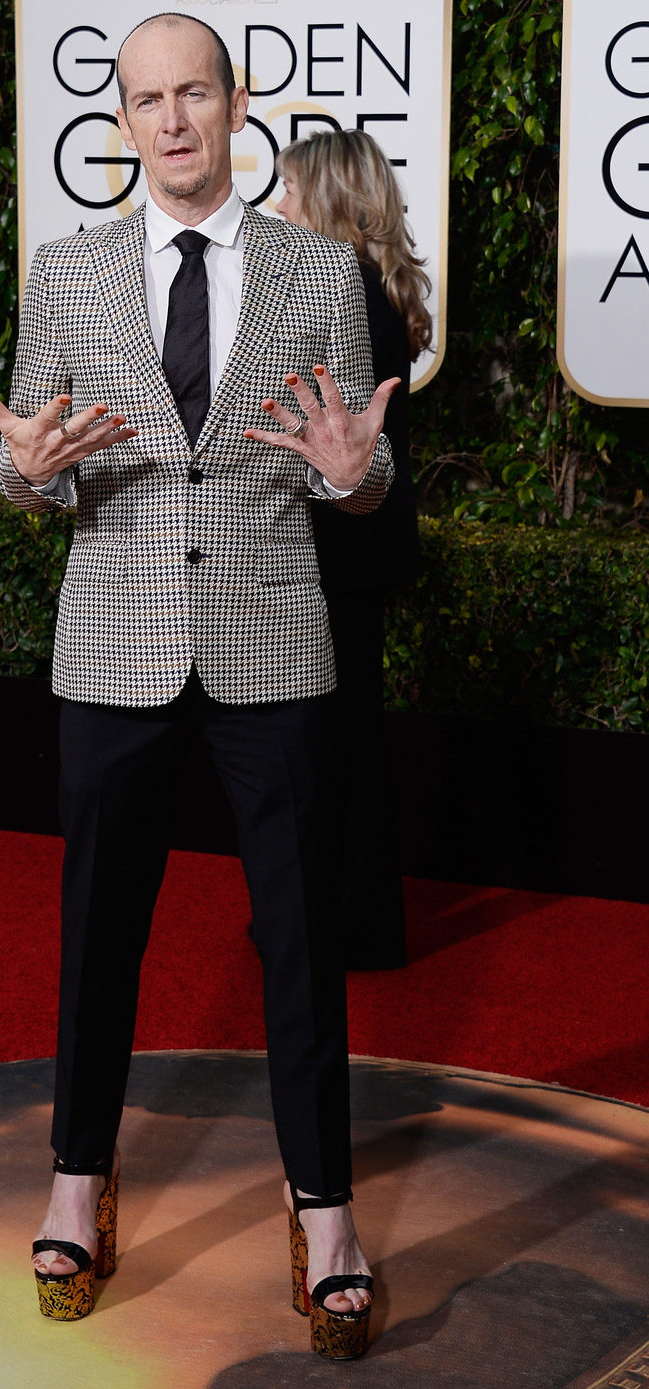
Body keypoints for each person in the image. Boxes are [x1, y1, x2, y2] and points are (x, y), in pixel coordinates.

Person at [0, 13, 397, 1358]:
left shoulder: (319, 272)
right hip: (117, 640)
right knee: (100, 929)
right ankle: (77, 1185)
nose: (171, 121)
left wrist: (354, 474)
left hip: (274, 638)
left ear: (236, 101)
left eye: (193, 94)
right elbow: (26, 458)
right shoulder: (68, 271)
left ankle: (324, 1209)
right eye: (146, 99)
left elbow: (362, 464)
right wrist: (25, 468)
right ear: (121, 119)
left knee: (302, 936)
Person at [275, 129, 433, 971]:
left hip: (343, 552)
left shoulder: (353, 302)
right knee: (344, 741)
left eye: (291, 194)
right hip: (357, 550)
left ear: (330, 201)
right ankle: (353, 923)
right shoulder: (373, 291)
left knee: (334, 746)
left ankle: (348, 927)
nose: (277, 208)